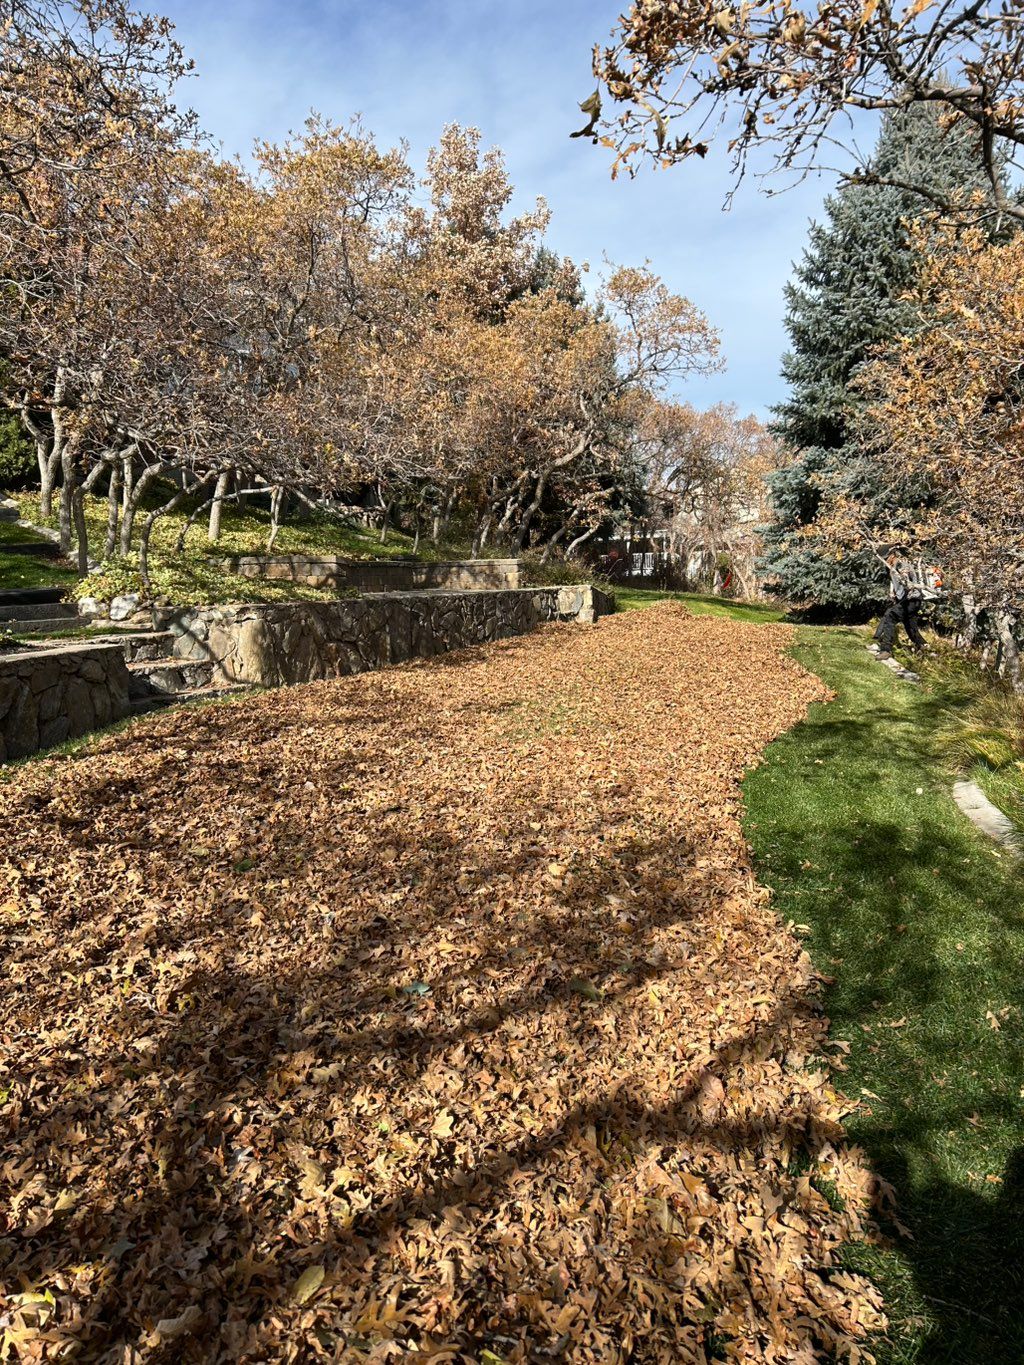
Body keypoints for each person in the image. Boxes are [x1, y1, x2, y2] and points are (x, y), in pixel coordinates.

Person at [872, 551, 941, 658]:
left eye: (885, 559)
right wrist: (894, 593)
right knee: (910, 625)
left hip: (911, 600)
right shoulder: (893, 567)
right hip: (913, 600)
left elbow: (907, 579)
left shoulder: (901, 564)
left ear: (891, 556)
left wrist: (904, 577)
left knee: (890, 617)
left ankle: (886, 650)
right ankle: (924, 647)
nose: (885, 562)